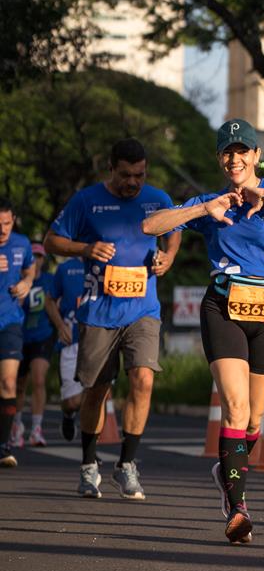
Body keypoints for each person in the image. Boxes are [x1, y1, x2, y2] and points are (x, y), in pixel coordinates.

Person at [142, 118, 264, 543]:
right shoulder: (212, 202)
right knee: (236, 409)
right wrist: (202, 210)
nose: (235, 159)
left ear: (256, 156)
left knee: (255, 419)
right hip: (222, 309)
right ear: (219, 159)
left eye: (242, 151)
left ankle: (226, 472)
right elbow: (151, 226)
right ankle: (238, 507)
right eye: (227, 152)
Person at [44, 138, 181, 499]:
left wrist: (168, 257)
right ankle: (89, 464)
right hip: (99, 311)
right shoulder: (86, 201)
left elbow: (174, 230)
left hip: (143, 309)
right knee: (97, 391)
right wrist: (86, 248)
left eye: (139, 175)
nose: (132, 182)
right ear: (110, 169)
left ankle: (127, 464)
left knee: (143, 379)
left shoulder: (157, 200)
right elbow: (52, 241)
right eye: (125, 175)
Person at [0, 198, 35, 467]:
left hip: (10, 321)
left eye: (7, 223)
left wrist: (27, 281)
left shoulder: (22, 243)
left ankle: (4, 446)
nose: (2, 230)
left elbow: (29, 267)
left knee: (9, 382)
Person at [10, 242, 55, 448]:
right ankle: (16, 425)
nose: (36, 260)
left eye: (39, 257)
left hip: (42, 336)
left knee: (38, 379)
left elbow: (55, 303)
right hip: (21, 336)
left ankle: (36, 428)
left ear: (43, 260)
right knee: (18, 385)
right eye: (33, 257)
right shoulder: (17, 281)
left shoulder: (49, 280)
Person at [44, 255, 85, 441]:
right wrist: (60, 326)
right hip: (71, 341)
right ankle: (68, 415)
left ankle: (90, 449)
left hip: (98, 340)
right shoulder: (66, 268)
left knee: (95, 395)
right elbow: (49, 300)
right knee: (72, 402)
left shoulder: (108, 264)